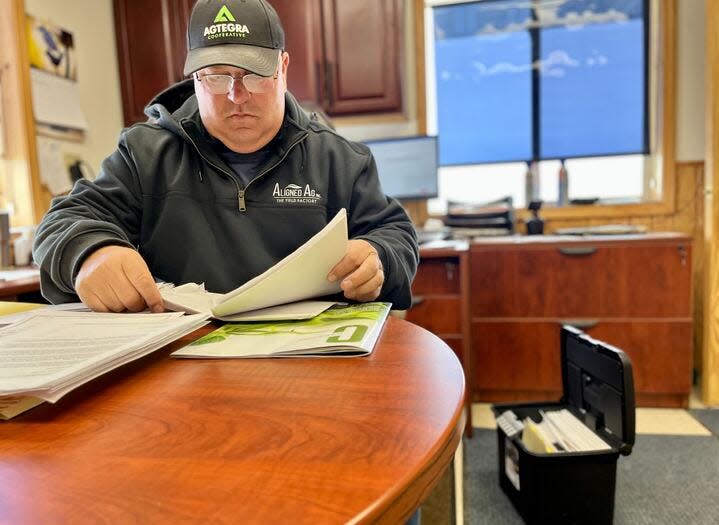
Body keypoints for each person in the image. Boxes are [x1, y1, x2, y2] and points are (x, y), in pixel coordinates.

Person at [32, 0, 418, 313]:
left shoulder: (341, 159)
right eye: (216, 77)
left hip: (307, 363)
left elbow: (395, 233)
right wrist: (91, 253)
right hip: (177, 365)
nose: (237, 96)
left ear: (282, 68)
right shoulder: (144, 153)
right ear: (193, 78)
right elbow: (63, 220)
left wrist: (377, 255)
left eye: (254, 74)